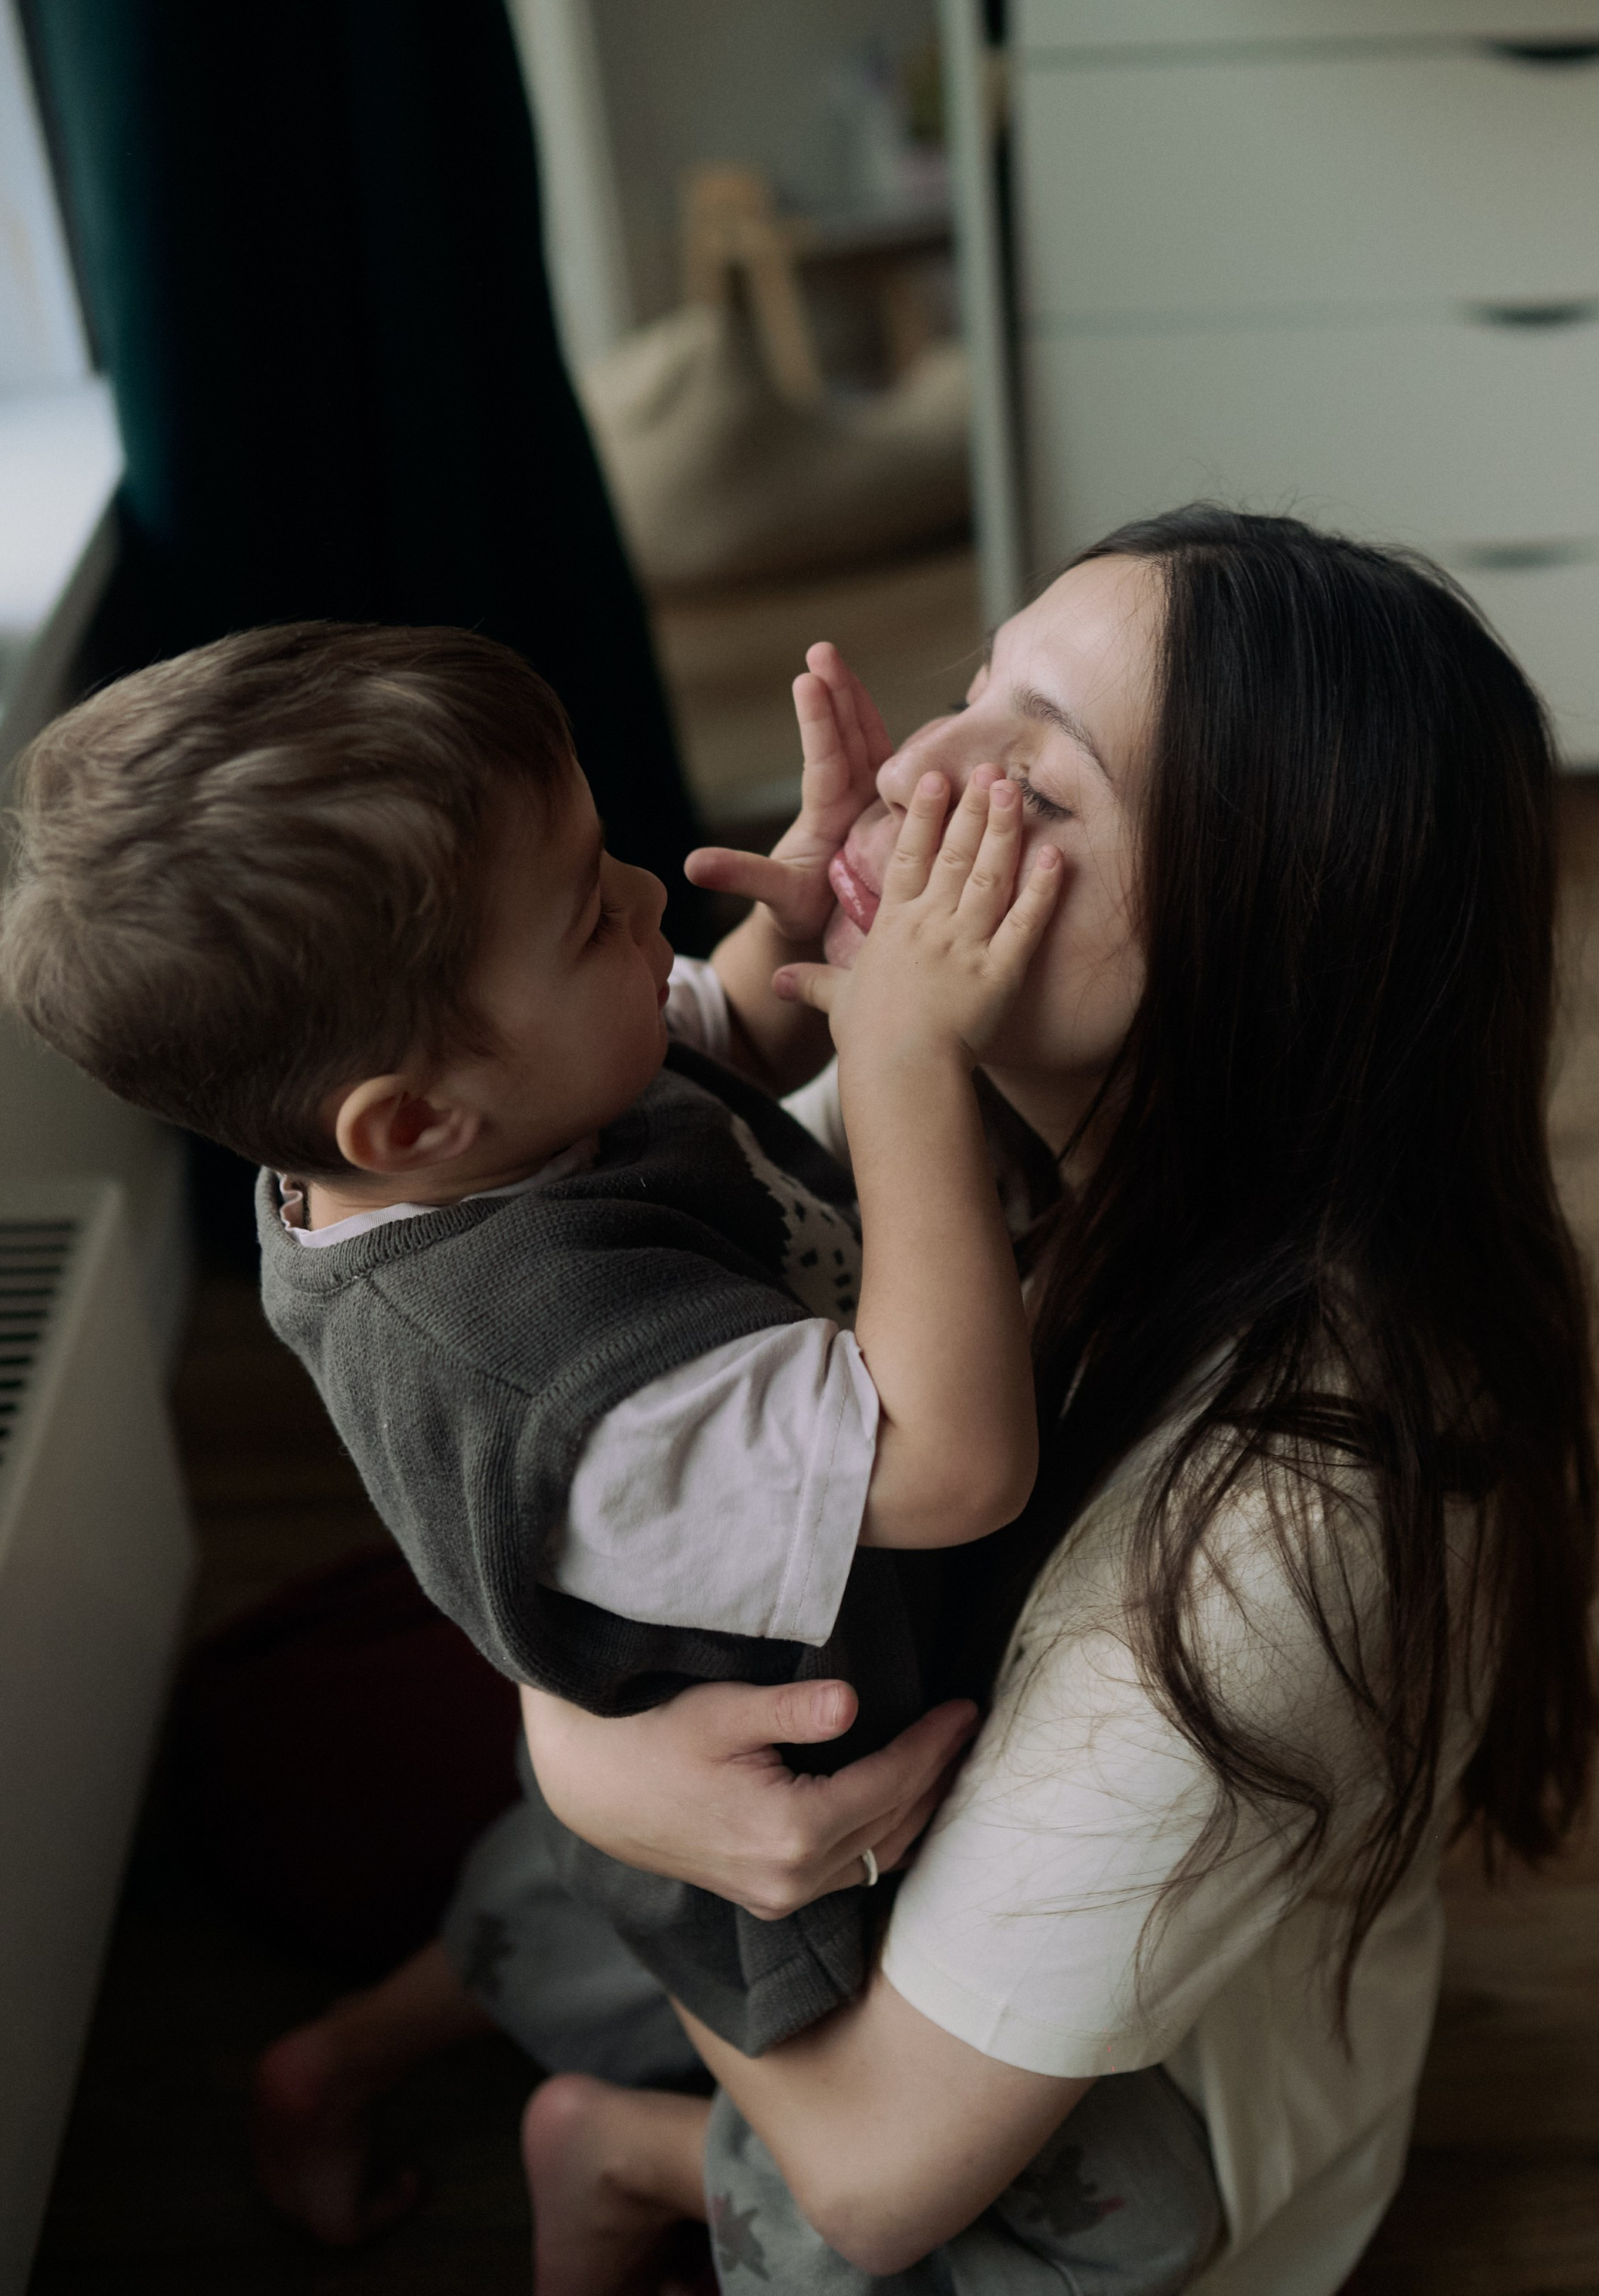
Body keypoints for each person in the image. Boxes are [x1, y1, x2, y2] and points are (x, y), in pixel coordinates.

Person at [492, 507, 1599, 2295]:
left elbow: (872, 2178)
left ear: (1270, 948)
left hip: (1125, 2112)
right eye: (974, 687)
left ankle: (625, 2153)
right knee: (558, 1827)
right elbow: (608, 1412)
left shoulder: (1280, 1535)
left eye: (1044, 784)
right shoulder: (967, 1088)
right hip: (942, 1828)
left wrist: (599, 1786)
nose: (921, 773)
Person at [0, 620, 1062, 2069]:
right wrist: (909, 1065)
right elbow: (955, 1468)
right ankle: (590, 2154)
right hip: (807, 1851)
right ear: (414, 1122)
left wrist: (808, 911)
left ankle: (349, 2052)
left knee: (535, 1898)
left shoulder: (492, 1108)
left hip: (708, 1629)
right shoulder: (552, 1380)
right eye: (586, 916)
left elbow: (720, 1034)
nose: (647, 894)